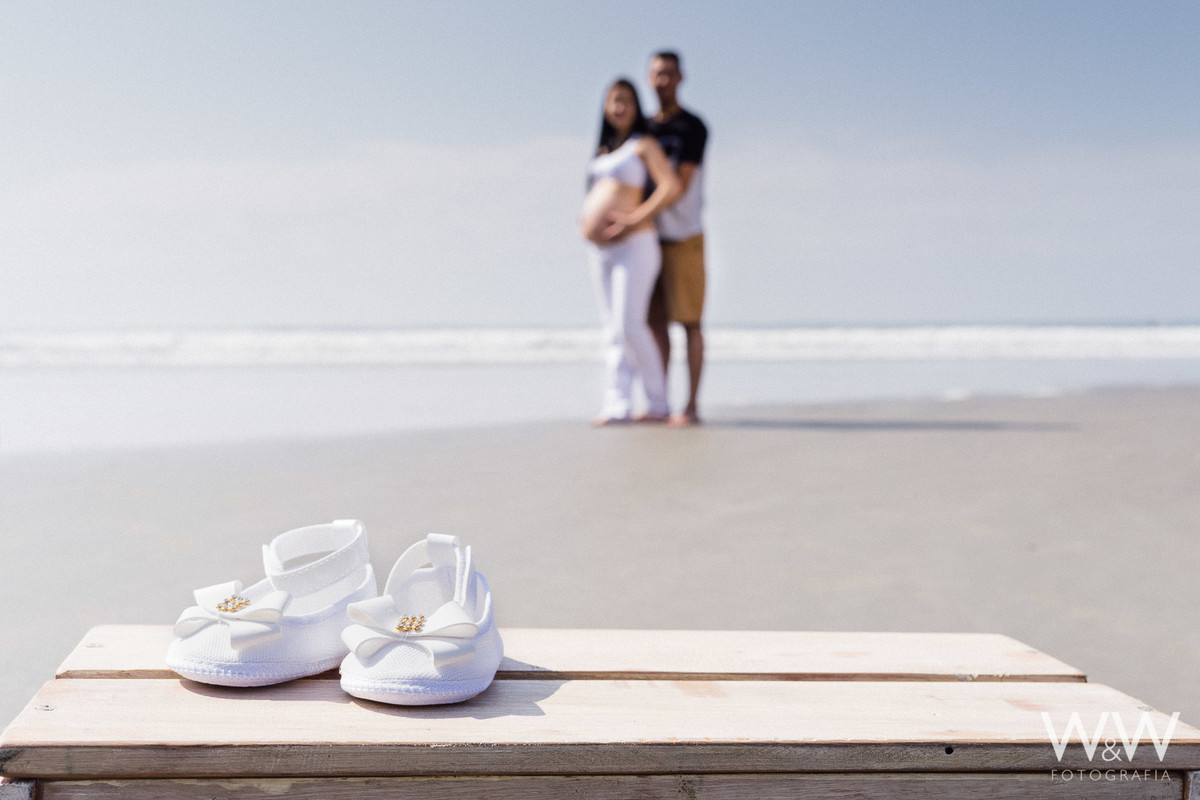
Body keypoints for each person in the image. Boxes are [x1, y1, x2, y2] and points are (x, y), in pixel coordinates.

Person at [580, 78, 681, 426]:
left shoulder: (642, 145)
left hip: (635, 244)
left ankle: (657, 402)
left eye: (626, 101)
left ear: (636, 107)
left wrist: (635, 217)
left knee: (630, 324)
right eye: (614, 101)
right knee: (612, 329)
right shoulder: (603, 152)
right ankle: (617, 404)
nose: (619, 107)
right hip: (602, 250)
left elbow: (670, 186)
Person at [645, 51, 709, 426]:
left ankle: (692, 405)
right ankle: (660, 402)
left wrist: (634, 217)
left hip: (684, 234)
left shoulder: (692, 127)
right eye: (657, 74)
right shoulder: (645, 129)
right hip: (648, 238)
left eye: (669, 73)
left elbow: (679, 187)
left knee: (690, 323)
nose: (662, 80)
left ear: (681, 77)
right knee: (655, 325)